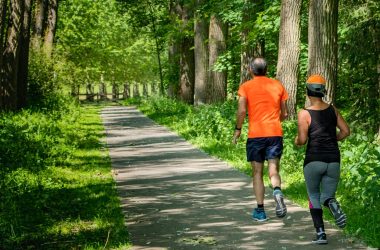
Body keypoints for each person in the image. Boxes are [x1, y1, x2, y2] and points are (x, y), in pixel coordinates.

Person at [294, 74, 350, 245]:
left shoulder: (304, 113)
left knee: (313, 196)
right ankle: (332, 203)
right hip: (333, 159)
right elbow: (346, 131)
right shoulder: (333, 109)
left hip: (314, 159)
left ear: (308, 92)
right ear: (323, 91)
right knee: (327, 196)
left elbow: (302, 140)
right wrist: (334, 140)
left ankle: (320, 234)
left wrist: (296, 141)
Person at [233, 57, 288, 222]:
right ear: (266, 70)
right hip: (274, 134)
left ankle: (261, 210)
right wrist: (275, 122)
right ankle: (277, 190)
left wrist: (238, 130)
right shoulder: (278, 85)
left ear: (251, 70)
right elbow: (284, 114)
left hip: (255, 135)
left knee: (257, 173)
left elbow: (242, 111)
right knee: (273, 170)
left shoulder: (245, 87)